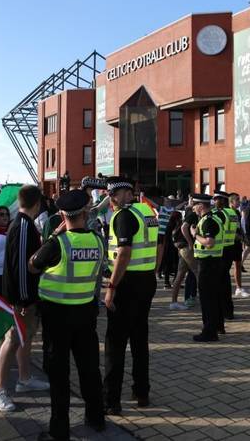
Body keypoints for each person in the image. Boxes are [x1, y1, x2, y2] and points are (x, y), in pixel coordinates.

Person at [29, 190, 105, 440]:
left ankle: (59, 430)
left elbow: (33, 265)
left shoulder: (57, 243)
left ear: (61, 214)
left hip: (57, 318)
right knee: (90, 369)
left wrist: (52, 236)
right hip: (86, 314)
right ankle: (96, 418)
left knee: (59, 375)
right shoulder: (97, 240)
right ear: (85, 213)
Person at [0, 185, 50, 413]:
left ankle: (24, 378)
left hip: (24, 297)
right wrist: (24, 300)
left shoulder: (23, 224)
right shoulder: (24, 226)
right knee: (13, 339)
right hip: (21, 298)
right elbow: (22, 267)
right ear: (37, 203)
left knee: (24, 337)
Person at [103, 177, 158, 414]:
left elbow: (124, 252)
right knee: (139, 339)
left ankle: (111, 400)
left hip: (127, 283)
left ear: (114, 195)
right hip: (146, 279)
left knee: (115, 343)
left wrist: (112, 287)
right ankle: (141, 391)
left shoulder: (123, 216)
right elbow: (161, 243)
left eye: (109, 195)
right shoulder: (146, 210)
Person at [191, 194, 225, 342]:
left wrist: (195, 235)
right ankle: (218, 326)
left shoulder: (208, 221)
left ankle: (209, 332)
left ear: (201, 206)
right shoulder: (214, 218)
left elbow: (209, 242)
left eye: (194, 205)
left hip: (208, 264)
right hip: (215, 262)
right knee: (215, 297)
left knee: (207, 300)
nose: (193, 208)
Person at [213, 191, 237, 320]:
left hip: (221, 250)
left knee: (220, 283)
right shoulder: (233, 213)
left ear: (221, 200)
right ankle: (228, 311)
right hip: (230, 248)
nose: (214, 202)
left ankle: (223, 311)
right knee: (226, 282)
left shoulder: (220, 214)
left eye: (216, 199)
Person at [228, 193, 250, 299]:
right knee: (228, 266)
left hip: (237, 243)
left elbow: (239, 227)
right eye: (237, 200)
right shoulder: (229, 212)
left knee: (238, 264)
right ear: (231, 202)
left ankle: (239, 288)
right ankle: (234, 287)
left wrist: (244, 237)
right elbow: (232, 230)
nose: (239, 202)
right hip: (229, 243)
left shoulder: (236, 212)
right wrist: (241, 237)